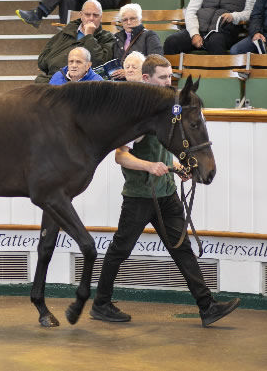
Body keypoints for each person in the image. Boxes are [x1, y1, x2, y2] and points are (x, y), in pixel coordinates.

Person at [90, 54, 240, 327]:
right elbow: (120, 156)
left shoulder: (167, 112)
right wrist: (149, 166)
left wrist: (175, 166)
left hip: (166, 192)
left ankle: (207, 307)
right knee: (120, 250)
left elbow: (163, 152)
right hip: (140, 195)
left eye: (171, 76)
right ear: (146, 79)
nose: (169, 82)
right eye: (163, 77)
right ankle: (101, 303)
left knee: (182, 249)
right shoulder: (136, 115)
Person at [163, 0, 259, 55]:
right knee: (171, 42)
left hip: (224, 31)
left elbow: (251, 13)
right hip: (198, 28)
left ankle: (218, 77)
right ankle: (168, 76)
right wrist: (194, 34)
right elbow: (191, 11)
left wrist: (234, 16)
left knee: (216, 43)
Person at [35, 0, 115, 84]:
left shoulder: (107, 38)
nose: (91, 18)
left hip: (83, 81)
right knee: (39, 82)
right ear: (81, 15)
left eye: (95, 15)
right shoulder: (66, 32)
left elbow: (99, 64)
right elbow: (42, 61)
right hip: (55, 77)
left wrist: (89, 36)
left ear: (101, 17)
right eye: (87, 15)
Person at [111, 3, 161, 80]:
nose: (128, 22)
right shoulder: (117, 37)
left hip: (140, 82)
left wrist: (128, 72)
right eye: (125, 20)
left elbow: (156, 61)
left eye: (132, 19)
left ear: (140, 19)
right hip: (119, 82)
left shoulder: (149, 36)